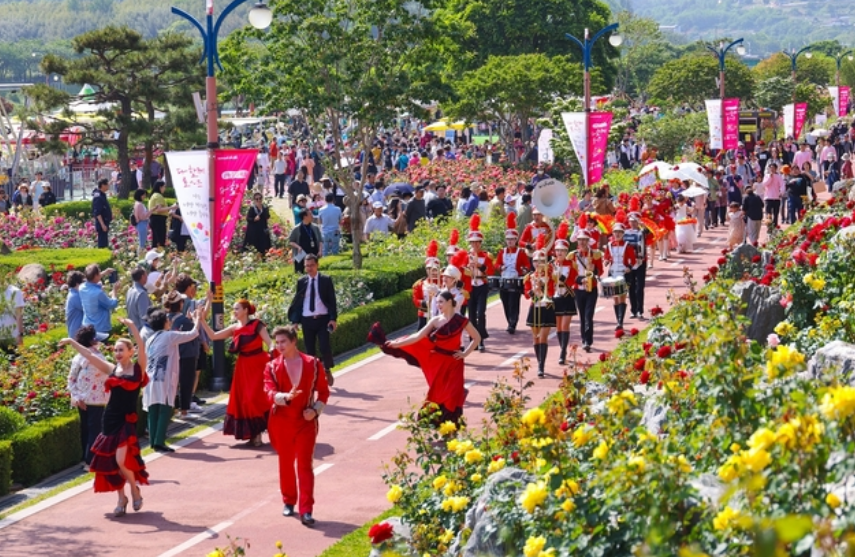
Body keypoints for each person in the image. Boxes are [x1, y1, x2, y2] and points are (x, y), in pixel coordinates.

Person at [58, 318, 148, 518]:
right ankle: (121, 498)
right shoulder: (111, 369)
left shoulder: (138, 369)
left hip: (126, 420)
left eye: (121, 350)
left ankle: (134, 490)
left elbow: (142, 345)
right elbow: (89, 355)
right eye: (115, 350)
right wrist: (72, 343)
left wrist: (131, 326)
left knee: (121, 460)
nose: (117, 354)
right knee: (111, 462)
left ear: (130, 351)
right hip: (110, 419)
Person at [369, 290, 480, 425]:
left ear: (450, 302)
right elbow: (417, 336)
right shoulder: (435, 321)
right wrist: (397, 344)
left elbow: (476, 338)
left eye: (441, 302)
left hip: (455, 362)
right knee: (438, 392)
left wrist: (465, 353)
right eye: (437, 302)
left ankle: (451, 427)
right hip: (437, 362)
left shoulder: (461, 320)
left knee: (453, 394)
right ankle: (438, 423)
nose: (438, 305)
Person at [264, 325, 331, 526]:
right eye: (277, 342)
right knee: (285, 464)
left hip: (305, 423)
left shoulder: (313, 363)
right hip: (281, 422)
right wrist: (285, 397)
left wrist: (315, 411)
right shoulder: (272, 366)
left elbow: (324, 392)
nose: (280, 345)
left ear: (294, 341)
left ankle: (306, 510)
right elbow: (268, 392)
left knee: (305, 465)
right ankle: (288, 500)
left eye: (284, 341)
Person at [201, 298, 272, 446]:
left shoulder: (257, 325)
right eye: (234, 308)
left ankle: (262, 432)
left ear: (246, 310)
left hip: (259, 365)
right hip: (243, 367)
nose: (234, 311)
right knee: (244, 400)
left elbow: (269, 343)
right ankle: (254, 435)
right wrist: (201, 320)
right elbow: (214, 336)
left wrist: (274, 353)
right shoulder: (234, 328)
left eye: (237, 308)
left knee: (255, 398)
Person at [141, 305, 201, 452]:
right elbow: (193, 334)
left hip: (150, 377)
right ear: (164, 322)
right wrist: (198, 319)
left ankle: (154, 441)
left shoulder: (150, 339)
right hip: (164, 377)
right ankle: (160, 441)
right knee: (166, 408)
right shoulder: (169, 336)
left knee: (153, 408)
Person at [287, 255, 338, 386]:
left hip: (323, 319)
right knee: (310, 350)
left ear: (317, 265)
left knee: (324, 346)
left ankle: (326, 369)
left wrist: (333, 319)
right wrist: (295, 321)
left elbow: (332, 300)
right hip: (307, 320)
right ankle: (314, 375)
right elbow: (298, 302)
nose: (309, 268)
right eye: (307, 266)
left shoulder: (326, 280)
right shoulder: (302, 281)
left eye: (312, 265)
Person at [66, 325, 109, 470]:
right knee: (95, 431)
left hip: (82, 400)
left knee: (85, 429)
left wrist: (76, 396)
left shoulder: (77, 358)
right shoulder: (98, 358)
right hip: (96, 400)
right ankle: (91, 462)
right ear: (92, 341)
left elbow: (71, 379)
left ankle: (86, 459)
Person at [166, 293, 203, 418]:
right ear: (180, 304)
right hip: (187, 354)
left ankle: (173, 409)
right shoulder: (183, 320)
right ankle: (184, 410)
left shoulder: (165, 319)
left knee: (173, 382)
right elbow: (194, 332)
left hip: (171, 354)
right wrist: (196, 318)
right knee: (186, 381)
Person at [523, 235, 556, 377]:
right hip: (534, 306)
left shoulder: (550, 275)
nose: (538, 263)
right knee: (535, 337)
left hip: (546, 306)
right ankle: (539, 363)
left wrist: (543, 285)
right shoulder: (530, 276)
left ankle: (541, 366)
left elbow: (552, 291)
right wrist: (532, 291)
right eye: (535, 261)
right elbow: (525, 293)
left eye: (541, 261)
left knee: (543, 337)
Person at [566, 231, 604, 353]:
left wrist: (594, 271)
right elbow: (570, 273)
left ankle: (588, 341)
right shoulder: (572, 255)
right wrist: (579, 280)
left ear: (588, 241)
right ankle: (584, 339)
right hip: (578, 289)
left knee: (589, 315)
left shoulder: (595, 254)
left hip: (591, 288)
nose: (582, 242)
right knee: (582, 316)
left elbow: (600, 271)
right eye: (580, 240)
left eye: (584, 240)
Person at [493, 213, 530, 335]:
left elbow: (527, 266)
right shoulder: (501, 252)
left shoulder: (521, 252)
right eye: (508, 239)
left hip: (515, 281)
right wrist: (500, 267)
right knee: (505, 303)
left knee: (514, 303)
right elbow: (496, 264)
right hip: (504, 280)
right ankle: (510, 320)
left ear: (516, 240)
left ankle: (512, 323)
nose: (510, 241)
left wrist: (524, 270)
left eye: (512, 239)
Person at [463, 215, 493, 351]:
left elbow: (490, 271)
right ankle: (472, 339)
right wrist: (468, 267)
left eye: (477, 242)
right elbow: (461, 271)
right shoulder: (465, 256)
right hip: (470, 288)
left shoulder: (485, 256)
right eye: (472, 242)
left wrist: (479, 266)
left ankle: (480, 339)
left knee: (481, 313)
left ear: (480, 243)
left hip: (481, 286)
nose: (475, 245)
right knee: (471, 315)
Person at [550, 222, 576, 364]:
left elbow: (571, 279)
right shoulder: (551, 265)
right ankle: (562, 348)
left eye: (562, 250)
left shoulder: (570, 264)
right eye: (557, 250)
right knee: (558, 326)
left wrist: (561, 278)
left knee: (565, 325)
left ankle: (562, 352)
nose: (559, 253)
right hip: (556, 297)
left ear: (566, 252)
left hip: (567, 296)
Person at [604, 223, 637, 332]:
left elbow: (633, 260)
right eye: (615, 232)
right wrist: (606, 261)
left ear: (623, 234)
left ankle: (620, 322)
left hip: (623, 274)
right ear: (612, 233)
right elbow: (607, 257)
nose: (617, 234)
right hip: (613, 273)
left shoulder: (627, 245)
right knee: (615, 298)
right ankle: (618, 320)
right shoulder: (609, 245)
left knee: (622, 297)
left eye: (620, 232)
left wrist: (629, 267)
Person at [80, 264, 120, 337]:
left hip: (87, 325)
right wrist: (114, 291)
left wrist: (104, 273)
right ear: (95, 276)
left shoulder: (82, 287)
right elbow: (111, 304)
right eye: (99, 273)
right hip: (100, 327)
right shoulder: (98, 293)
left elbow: (90, 279)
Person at [413, 241, 442, 331]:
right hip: (424, 315)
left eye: (435, 269)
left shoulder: (443, 282)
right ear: (426, 270)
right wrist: (426, 303)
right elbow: (416, 300)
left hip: (439, 315)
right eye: (430, 269)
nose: (433, 272)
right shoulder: (419, 284)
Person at [624, 214, 647, 320]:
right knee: (631, 287)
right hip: (629, 263)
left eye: (635, 221)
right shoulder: (626, 232)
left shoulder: (642, 232)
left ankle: (640, 310)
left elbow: (650, 233)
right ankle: (633, 310)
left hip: (640, 262)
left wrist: (644, 226)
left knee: (640, 287)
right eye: (631, 221)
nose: (632, 223)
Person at [289, 209, 323, 273]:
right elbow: (291, 241)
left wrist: (320, 251)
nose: (312, 216)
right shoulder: (297, 228)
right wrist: (298, 247)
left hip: (313, 253)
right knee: (299, 272)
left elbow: (320, 240)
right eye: (310, 214)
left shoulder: (315, 227)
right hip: (301, 253)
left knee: (314, 272)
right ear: (305, 216)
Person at [0, 284, 25, 351]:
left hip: (12, 336)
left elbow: (19, 315)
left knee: (14, 359)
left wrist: (20, 334)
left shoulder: (14, 291)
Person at [125, 267, 151, 331]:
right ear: (142, 277)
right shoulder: (141, 294)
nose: (147, 277)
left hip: (133, 330)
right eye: (146, 274)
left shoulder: (130, 290)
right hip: (140, 332)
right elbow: (144, 317)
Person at [148, 181, 171, 249]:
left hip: (154, 219)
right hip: (159, 220)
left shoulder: (153, 195)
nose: (165, 189)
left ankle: (155, 256)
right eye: (164, 187)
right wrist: (172, 207)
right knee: (160, 240)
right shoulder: (159, 196)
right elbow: (159, 210)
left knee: (155, 240)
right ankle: (160, 255)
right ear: (160, 187)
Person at [65, 270, 86, 339]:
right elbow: (89, 308)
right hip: (77, 335)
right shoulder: (75, 296)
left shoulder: (74, 294)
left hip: (78, 333)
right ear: (77, 284)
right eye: (83, 282)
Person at [92, 179, 112, 248]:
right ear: (103, 185)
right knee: (102, 244)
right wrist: (102, 225)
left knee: (105, 242)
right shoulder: (98, 196)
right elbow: (97, 212)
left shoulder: (102, 194)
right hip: (102, 223)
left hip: (105, 221)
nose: (108, 186)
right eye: (107, 184)